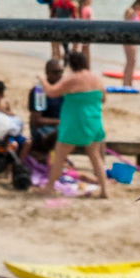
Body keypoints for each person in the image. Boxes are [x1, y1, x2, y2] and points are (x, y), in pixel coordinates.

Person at [46, 50, 109, 198]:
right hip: (93, 122)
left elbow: (51, 92)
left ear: (71, 65)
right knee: (95, 157)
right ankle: (105, 190)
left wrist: (42, 79)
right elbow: (103, 99)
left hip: (74, 124)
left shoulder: (72, 79)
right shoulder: (97, 79)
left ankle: (49, 187)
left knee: (60, 156)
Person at [120, 0, 140, 88]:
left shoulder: (136, 13)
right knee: (130, 61)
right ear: (138, 4)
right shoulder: (130, 11)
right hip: (128, 38)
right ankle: (126, 83)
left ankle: (129, 82)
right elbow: (125, 25)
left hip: (134, 39)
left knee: (133, 61)